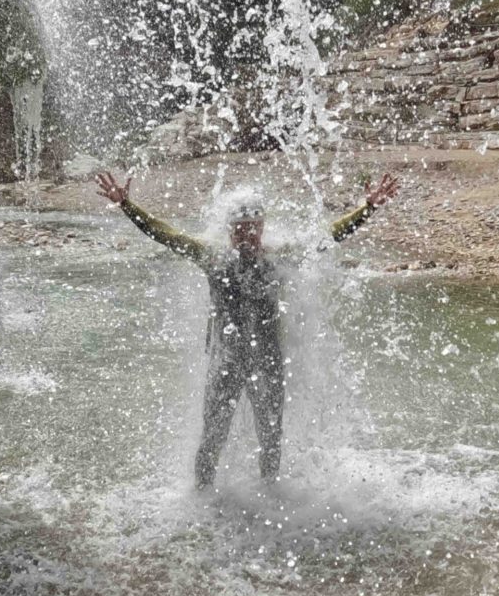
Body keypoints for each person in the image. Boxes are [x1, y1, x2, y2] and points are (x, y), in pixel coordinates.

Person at [96, 170, 400, 487]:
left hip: (267, 361)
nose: (246, 237)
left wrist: (368, 207)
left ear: (262, 228)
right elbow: (165, 233)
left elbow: (329, 235)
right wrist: (126, 205)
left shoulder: (281, 256)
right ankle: (202, 495)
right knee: (213, 435)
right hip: (225, 362)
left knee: (270, 436)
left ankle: (270, 494)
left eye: (253, 229)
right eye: (240, 230)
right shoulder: (212, 256)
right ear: (229, 230)